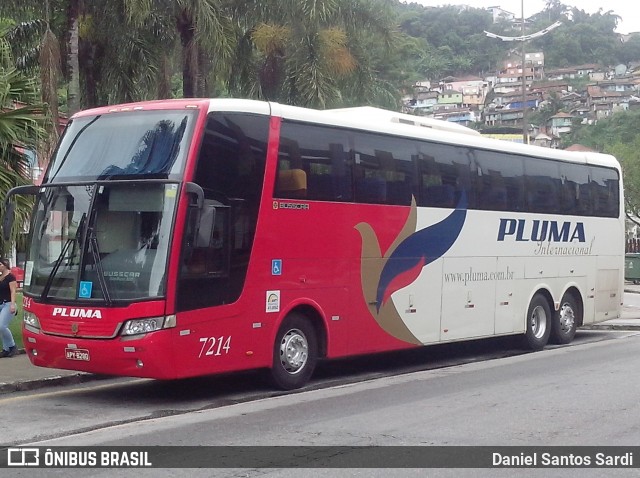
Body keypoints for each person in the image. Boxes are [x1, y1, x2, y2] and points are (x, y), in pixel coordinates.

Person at [0, 258, 18, 357]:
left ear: (5, 265)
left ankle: (12, 346)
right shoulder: (0, 277)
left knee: (2, 326)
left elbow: (13, 291)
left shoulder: (11, 277)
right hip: (0, 304)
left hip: (8, 303)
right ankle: (6, 349)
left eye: (0, 264)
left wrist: (12, 304)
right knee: (1, 328)